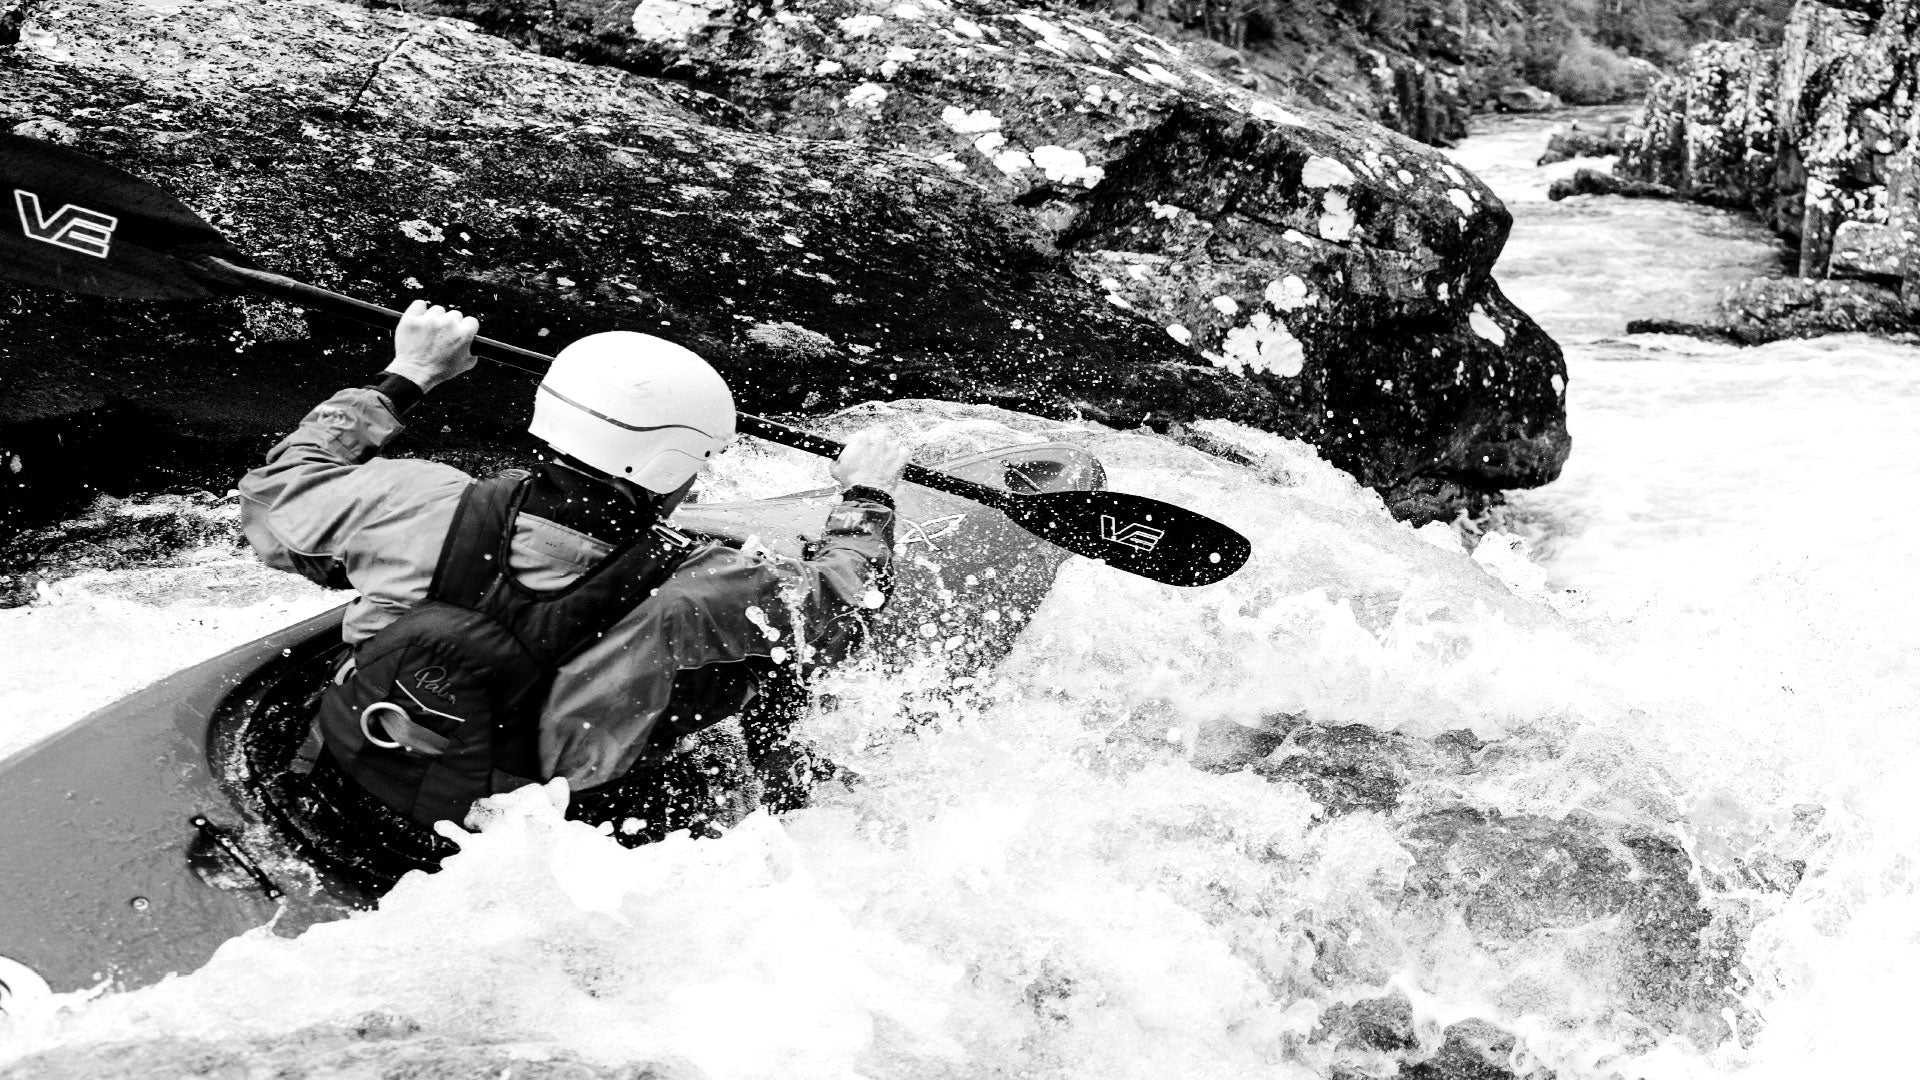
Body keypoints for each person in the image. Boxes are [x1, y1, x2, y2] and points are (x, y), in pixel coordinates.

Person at [239, 300, 909, 862]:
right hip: (527, 845)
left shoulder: (417, 499)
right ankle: (776, 804)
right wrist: (867, 493)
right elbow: (847, 602)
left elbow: (274, 499)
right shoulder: (703, 587)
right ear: (671, 465)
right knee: (762, 668)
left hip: (351, 781)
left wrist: (410, 372)